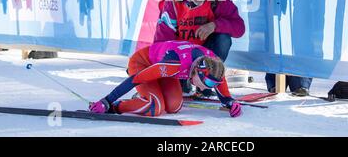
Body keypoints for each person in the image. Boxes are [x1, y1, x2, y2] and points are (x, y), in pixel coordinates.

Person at [89, 40, 242, 118]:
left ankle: (146, 95)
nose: (204, 89)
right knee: (155, 107)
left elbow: (222, 87)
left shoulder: (213, 64)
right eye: (204, 84)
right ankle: (118, 106)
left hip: (163, 71)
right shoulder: (174, 64)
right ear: (196, 71)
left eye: (211, 85)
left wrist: (230, 102)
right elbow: (136, 79)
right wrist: (107, 101)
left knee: (174, 107)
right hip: (143, 64)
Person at [155, 0, 246, 96]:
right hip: (181, 56)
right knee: (173, 97)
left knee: (223, 39)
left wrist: (214, 25)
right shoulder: (173, 3)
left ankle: (207, 80)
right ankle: (183, 80)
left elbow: (239, 28)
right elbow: (162, 43)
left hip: (205, 53)